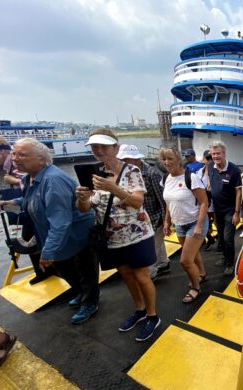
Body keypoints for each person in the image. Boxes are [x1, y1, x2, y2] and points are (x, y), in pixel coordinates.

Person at [0, 138, 99, 324]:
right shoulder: (30, 178)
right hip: (56, 235)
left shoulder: (53, 180)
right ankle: (82, 294)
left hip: (76, 235)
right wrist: (10, 202)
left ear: (42, 160)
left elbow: (61, 222)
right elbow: (32, 200)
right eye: (14, 154)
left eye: (22, 154)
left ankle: (90, 302)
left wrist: (48, 251)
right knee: (65, 269)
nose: (16, 158)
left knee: (83, 271)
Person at [76, 129, 160, 342]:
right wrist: (82, 198)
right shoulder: (94, 173)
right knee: (126, 274)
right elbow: (86, 208)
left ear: (116, 148)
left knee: (142, 275)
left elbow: (137, 202)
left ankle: (152, 315)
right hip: (111, 236)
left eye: (104, 146)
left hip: (137, 233)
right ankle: (140, 310)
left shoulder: (132, 171)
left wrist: (113, 188)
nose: (99, 151)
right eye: (95, 147)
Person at [0, 136, 53, 285]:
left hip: (34, 207)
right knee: (32, 238)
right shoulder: (10, 165)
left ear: (1, 151)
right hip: (29, 204)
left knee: (33, 238)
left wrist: (13, 180)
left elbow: (29, 183)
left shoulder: (17, 164)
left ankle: (46, 271)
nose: (17, 158)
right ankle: (45, 271)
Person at [160, 147, 209, 303]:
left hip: (195, 222)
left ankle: (195, 288)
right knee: (192, 255)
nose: (167, 162)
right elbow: (169, 202)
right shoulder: (165, 179)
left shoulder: (191, 177)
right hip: (179, 223)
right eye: (164, 159)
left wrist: (199, 226)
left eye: (170, 159)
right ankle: (201, 274)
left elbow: (203, 203)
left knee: (185, 261)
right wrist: (167, 220)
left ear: (178, 160)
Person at [117, 144, 170, 280]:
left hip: (154, 218)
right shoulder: (127, 173)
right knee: (157, 245)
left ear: (135, 160)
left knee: (151, 250)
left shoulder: (152, 174)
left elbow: (163, 200)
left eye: (126, 160)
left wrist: (166, 221)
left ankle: (150, 275)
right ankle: (163, 263)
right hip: (140, 218)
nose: (123, 163)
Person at [208, 141, 242, 276]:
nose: (216, 156)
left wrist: (237, 212)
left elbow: (239, 192)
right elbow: (210, 182)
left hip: (230, 210)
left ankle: (230, 263)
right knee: (221, 238)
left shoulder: (233, 169)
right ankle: (224, 257)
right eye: (213, 154)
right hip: (217, 210)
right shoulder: (211, 166)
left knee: (228, 239)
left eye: (218, 153)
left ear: (224, 153)